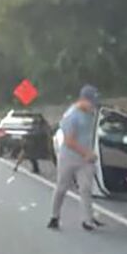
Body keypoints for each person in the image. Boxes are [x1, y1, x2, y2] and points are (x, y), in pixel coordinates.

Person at [47, 85, 103, 231]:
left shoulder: (91, 114)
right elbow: (69, 141)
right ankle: (54, 216)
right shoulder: (71, 116)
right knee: (62, 187)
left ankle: (87, 220)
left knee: (85, 188)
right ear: (83, 100)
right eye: (91, 102)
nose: (93, 106)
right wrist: (86, 153)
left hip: (85, 159)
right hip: (69, 157)